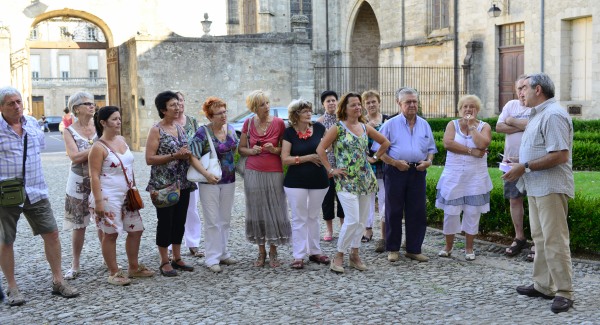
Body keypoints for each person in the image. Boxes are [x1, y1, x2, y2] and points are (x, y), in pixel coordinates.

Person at [0, 86, 79, 306]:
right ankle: (12, 287)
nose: (16, 106)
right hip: (7, 194)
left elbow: (38, 150)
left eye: (18, 101)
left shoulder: (33, 124)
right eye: (10, 103)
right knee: (6, 240)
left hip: (36, 190)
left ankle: (58, 281)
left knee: (52, 233)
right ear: (0, 107)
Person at [503, 73, 575, 314]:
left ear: (538, 90)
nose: (520, 92)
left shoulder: (553, 115)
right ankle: (543, 285)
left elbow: (560, 155)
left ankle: (564, 292)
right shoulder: (538, 114)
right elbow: (540, 150)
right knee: (541, 238)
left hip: (550, 187)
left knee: (555, 239)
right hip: (535, 186)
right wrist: (519, 161)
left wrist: (524, 166)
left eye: (524, 88)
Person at [316, 92, 390, 273]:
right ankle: (339, 255)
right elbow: (320, 149)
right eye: (353, 105)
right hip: (346, 180)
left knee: (362, 221)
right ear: (345, 108)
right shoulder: (338, 128)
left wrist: (373, 158)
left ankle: (355, 255)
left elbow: (385, 142)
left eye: (359, 104)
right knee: (352, 220)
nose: (357, 107)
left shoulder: (365, 127)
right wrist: (330, 169)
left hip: (366, 179)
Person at [89, 106, 154, 286]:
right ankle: (114, 271)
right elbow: (93, 175)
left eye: (119, 118)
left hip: (127, 193)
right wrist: (99, 201)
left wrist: (133, 188)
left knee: (136, 229)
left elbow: (129, 167)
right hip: (108, 195)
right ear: (103, 123)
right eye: (114, 119)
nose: (118, 122)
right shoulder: (98, 147)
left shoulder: (122, 140)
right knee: (110, 234)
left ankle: (133, 267)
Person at [374, 87, 437, 263]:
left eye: (414, 101)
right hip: (395, 171)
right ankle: (393, 248)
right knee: (393, 210)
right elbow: (378, 152)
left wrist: (429, 161)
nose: (412, 105)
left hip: (418, 171)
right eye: (408, 102)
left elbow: (431, 149)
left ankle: (414, 249)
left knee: (417, 211)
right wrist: (394, 163)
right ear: (399, 103)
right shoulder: (390, 125)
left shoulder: (424, 124)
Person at [435, 95, 492, 261]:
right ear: (460, 109)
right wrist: (471, 151)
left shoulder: (484, 126)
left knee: (472, 212)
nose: (468, 109)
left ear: (477, 110)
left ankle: (469, 248)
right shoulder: (452, 124)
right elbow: (448, 143)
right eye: (465, 107)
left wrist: (472, 127)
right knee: (451, 213)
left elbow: (483, 144)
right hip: (454, 175)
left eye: (472, 107)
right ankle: (448, 246)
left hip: (476, 177)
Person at [146, 91, 196, 276]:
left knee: (180, 221)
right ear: (162, 109)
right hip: (163, 184)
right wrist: (175, 155)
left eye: (178, 104)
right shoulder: (156, 130)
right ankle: (164, 260)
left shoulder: (180, 127)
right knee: (165, 222)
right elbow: (149, 158)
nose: (177, 107)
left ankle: (177, 257)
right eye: (172, 105)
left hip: (183, 182)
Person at [238, 90, 290, 268]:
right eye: (262, 104)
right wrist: (252, 151)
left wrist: (274, 149)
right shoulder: (247, 123)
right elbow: (241, 149)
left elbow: (284, 149)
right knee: (256, 209)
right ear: (254, 108)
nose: (267, 107)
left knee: (275, 208)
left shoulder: (279, 123)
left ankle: (273, 250)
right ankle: (261, 252)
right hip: (253, 171)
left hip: (274, 170)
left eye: (267, 103)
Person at [189, 97, 239, 273]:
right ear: (210, 116)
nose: (224, 116)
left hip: (229, 179)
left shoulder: (231, 129)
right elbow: (192, 156)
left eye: (225, 112)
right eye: (219, 113)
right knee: (212, 220)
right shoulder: (203, 133)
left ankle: (223, 253)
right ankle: (212, 258)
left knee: (225, 219)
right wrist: (206, 174)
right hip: (209, 181)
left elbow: (236, 150)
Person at [281, 99, 330, 269]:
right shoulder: (289, 133)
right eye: (304, 111)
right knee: (299, 217)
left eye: (310, 110)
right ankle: (299, 255)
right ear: (295, 115)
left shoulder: (319, 128)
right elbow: (285, 159)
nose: (309, 113)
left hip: (319, 179)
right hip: (296, 182)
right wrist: (307, 158)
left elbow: (328, 147)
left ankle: (315, 252)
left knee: (313, 217)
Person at [62, 91, 103, 280]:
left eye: (92, 103)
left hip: (100, 178)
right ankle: (75, 264)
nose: (92, 106)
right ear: (76, 109)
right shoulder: (69, 131)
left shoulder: (100, 126)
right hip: (78, 181)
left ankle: (108, 258)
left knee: (103, 220)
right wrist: (97, 149)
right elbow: (75, 157)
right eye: (87, 103)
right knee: (79, 224)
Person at [496, 75, 533, 259]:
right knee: (514, 199)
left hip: (533, 163)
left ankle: (538, 242)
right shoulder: (510, 105)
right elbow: (498, 127)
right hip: (511, 161)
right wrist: (523, 126)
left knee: (536, 202)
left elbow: (533, 126)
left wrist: (511, 121)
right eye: (519, 88)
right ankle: (519, 238)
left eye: (524, 88)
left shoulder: (537, 106)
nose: (521, 92)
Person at [173, 91, 204, 258]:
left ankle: (193, 243)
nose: (180, 104)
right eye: (176, 101)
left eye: (182, 100)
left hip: (191, 171)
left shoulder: (192, 121)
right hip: (172, 171)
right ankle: (171, 246)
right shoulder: (165, 124)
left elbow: (199, 142)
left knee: (192, 209)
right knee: (172, 209)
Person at [360, 90, 390, 251]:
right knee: (368, 199)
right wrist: (366, 129)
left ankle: (384, 234)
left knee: (385, 198)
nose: (371, 105)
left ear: (379, 102)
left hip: (384, 164)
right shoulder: (361, 122)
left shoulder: (387, 120)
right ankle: (368, 229)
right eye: (368, 102)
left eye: (374, 101)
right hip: (367, 165)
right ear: (364, 105)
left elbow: (390, 141)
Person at [316, 90, 345, 241]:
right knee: (327, 199)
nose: (332, 103)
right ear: (323, 104)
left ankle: (343, 228)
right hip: (326, 165)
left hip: (342, 166)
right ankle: (329, 230)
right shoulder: (319, 123)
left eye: (334, 100)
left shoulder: (342, 120)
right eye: (328, 101)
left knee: (342, 198)